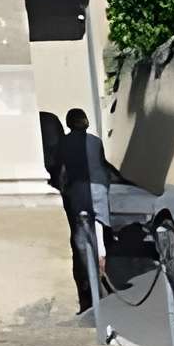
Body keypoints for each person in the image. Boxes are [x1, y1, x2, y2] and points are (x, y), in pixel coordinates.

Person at [59, 107, 113, 312]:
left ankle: (89, 277)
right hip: (99, 187)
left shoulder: (64, 142)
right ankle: (102, 261)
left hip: (79, 188)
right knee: (98, 227)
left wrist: (63, 187)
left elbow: (62, 169)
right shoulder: (96, 141)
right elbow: (101, 164)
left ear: (69, 122)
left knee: (81, 235)